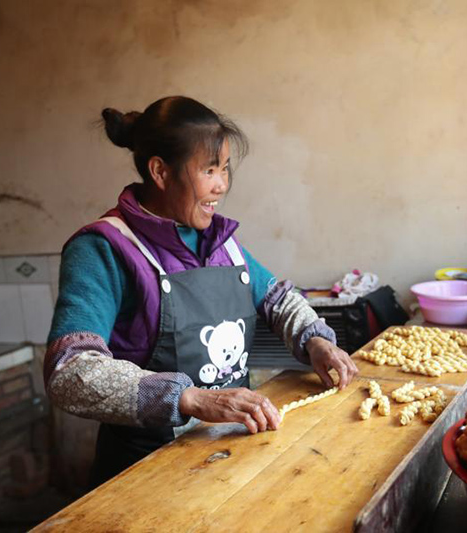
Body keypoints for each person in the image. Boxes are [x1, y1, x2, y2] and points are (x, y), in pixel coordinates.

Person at [44, 96, 358, 486]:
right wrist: (189, 398)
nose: (222, 185)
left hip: (234, 455)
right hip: (146, 473)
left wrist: (315, 340)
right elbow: (70, 373)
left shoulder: (220, 242)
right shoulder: (103, 248)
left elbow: (278, 299)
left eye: (225, 169)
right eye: (210, 170)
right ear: (160, 171)